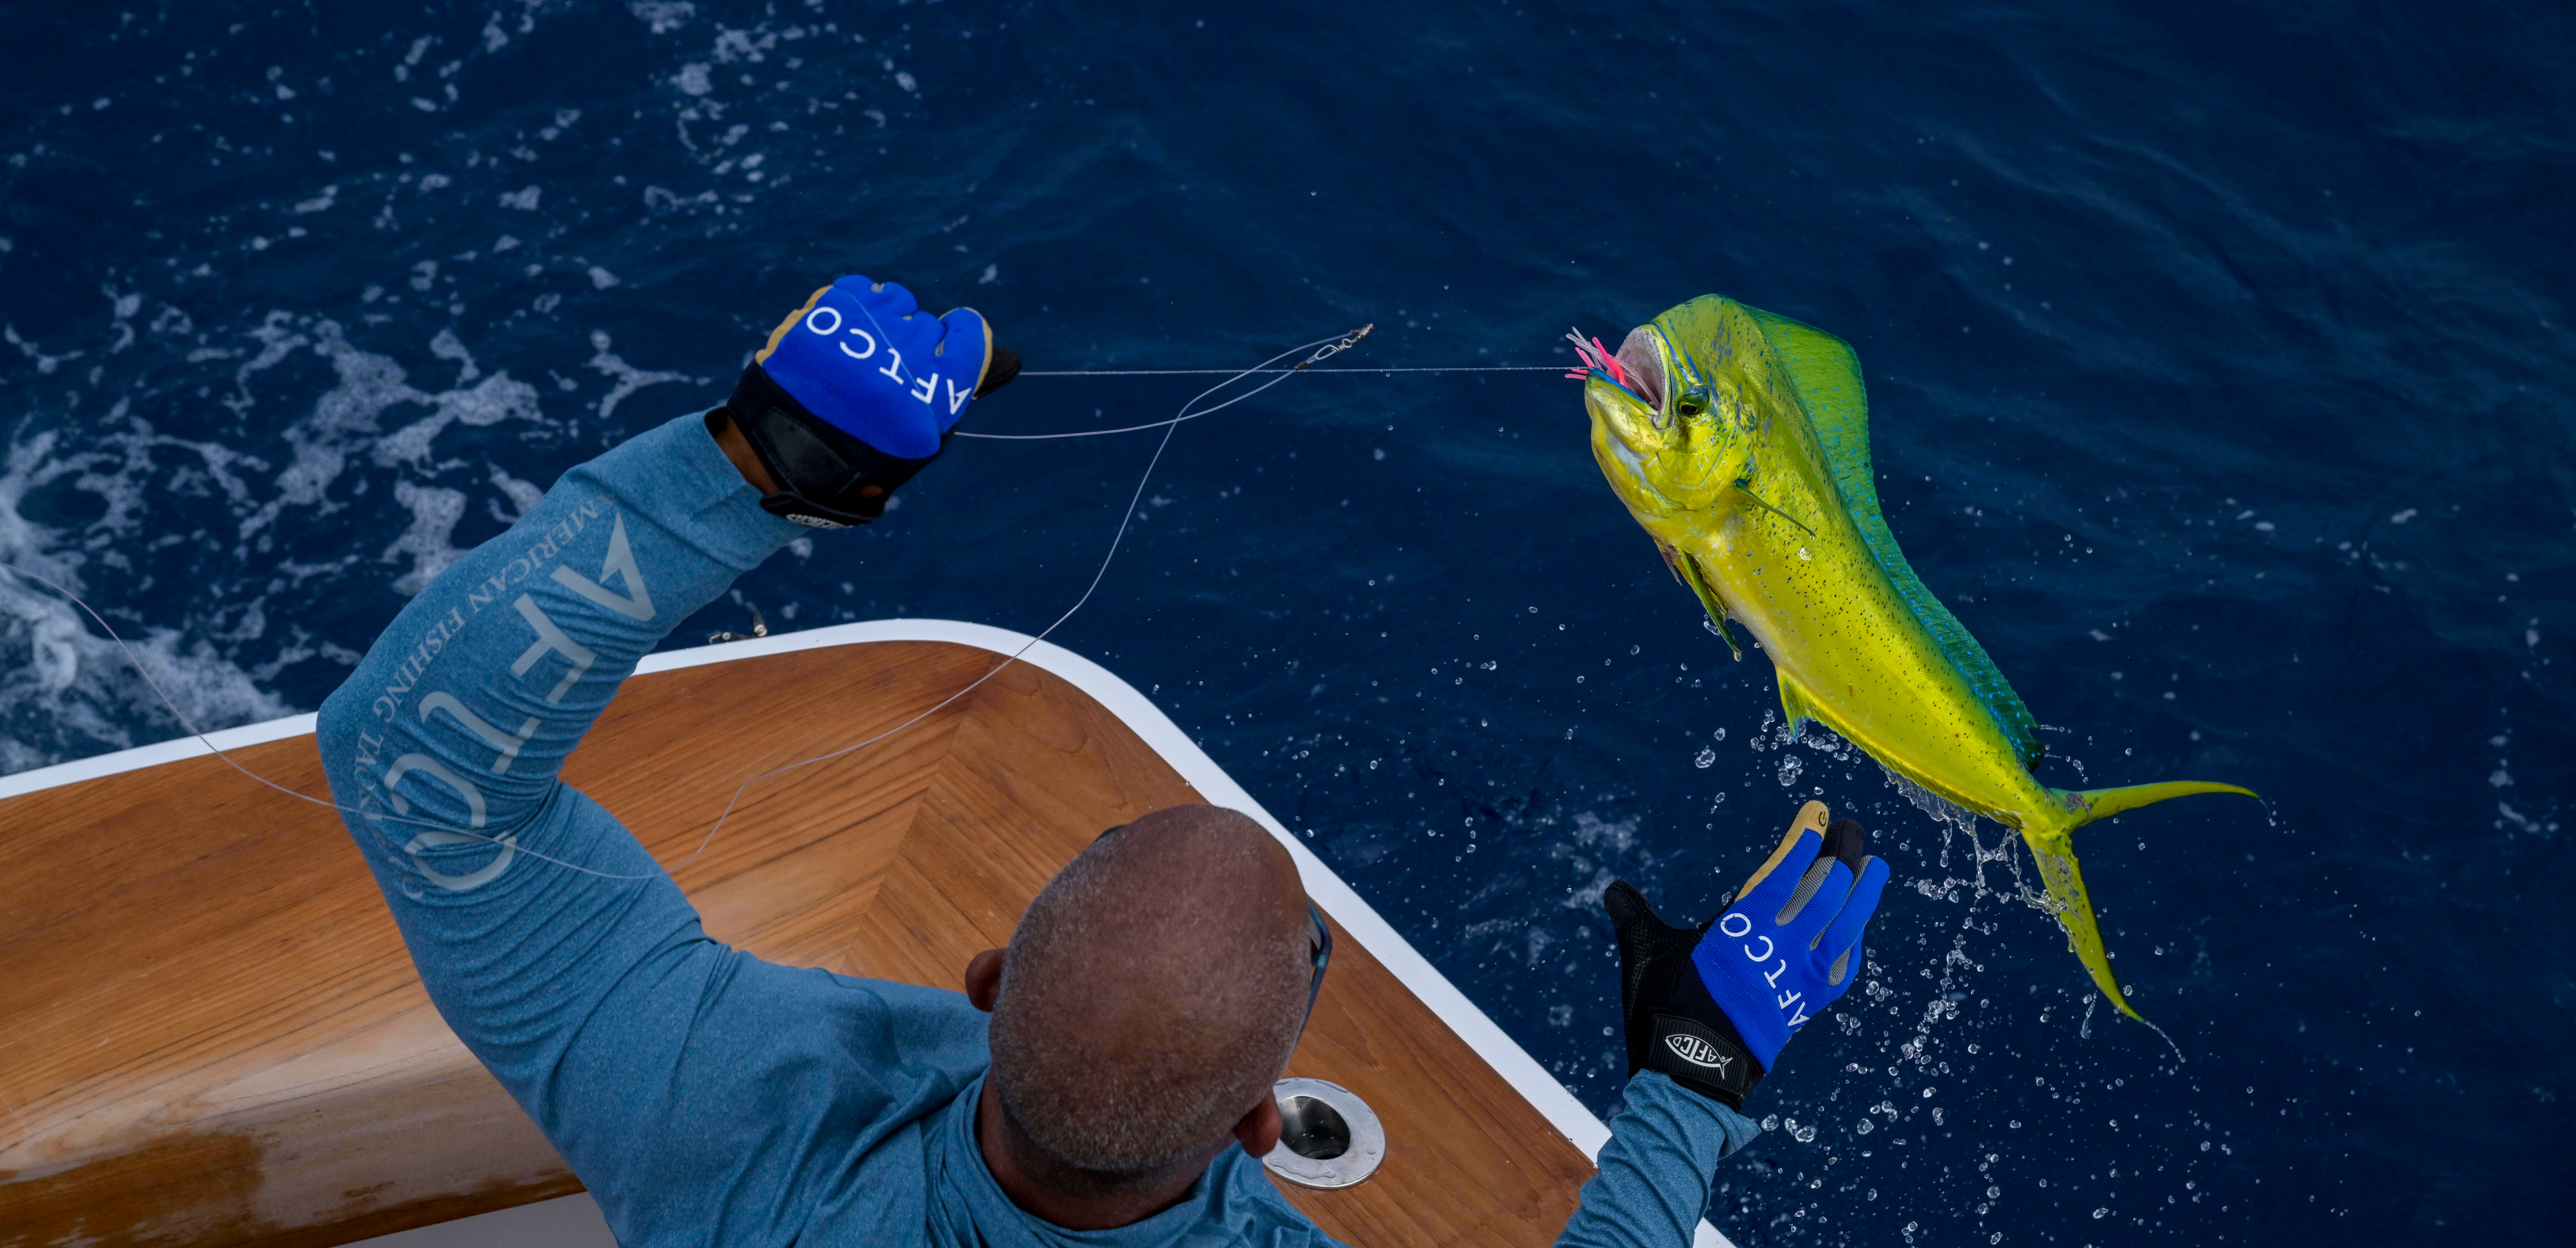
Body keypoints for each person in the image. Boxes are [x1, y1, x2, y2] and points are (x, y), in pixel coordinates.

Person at [317, 278, 1893, 1247]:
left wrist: (753, 467)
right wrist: (1691, 1077)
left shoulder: (724, 1097)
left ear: (993, 972)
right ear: (1261, 1125)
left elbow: (409, 765)